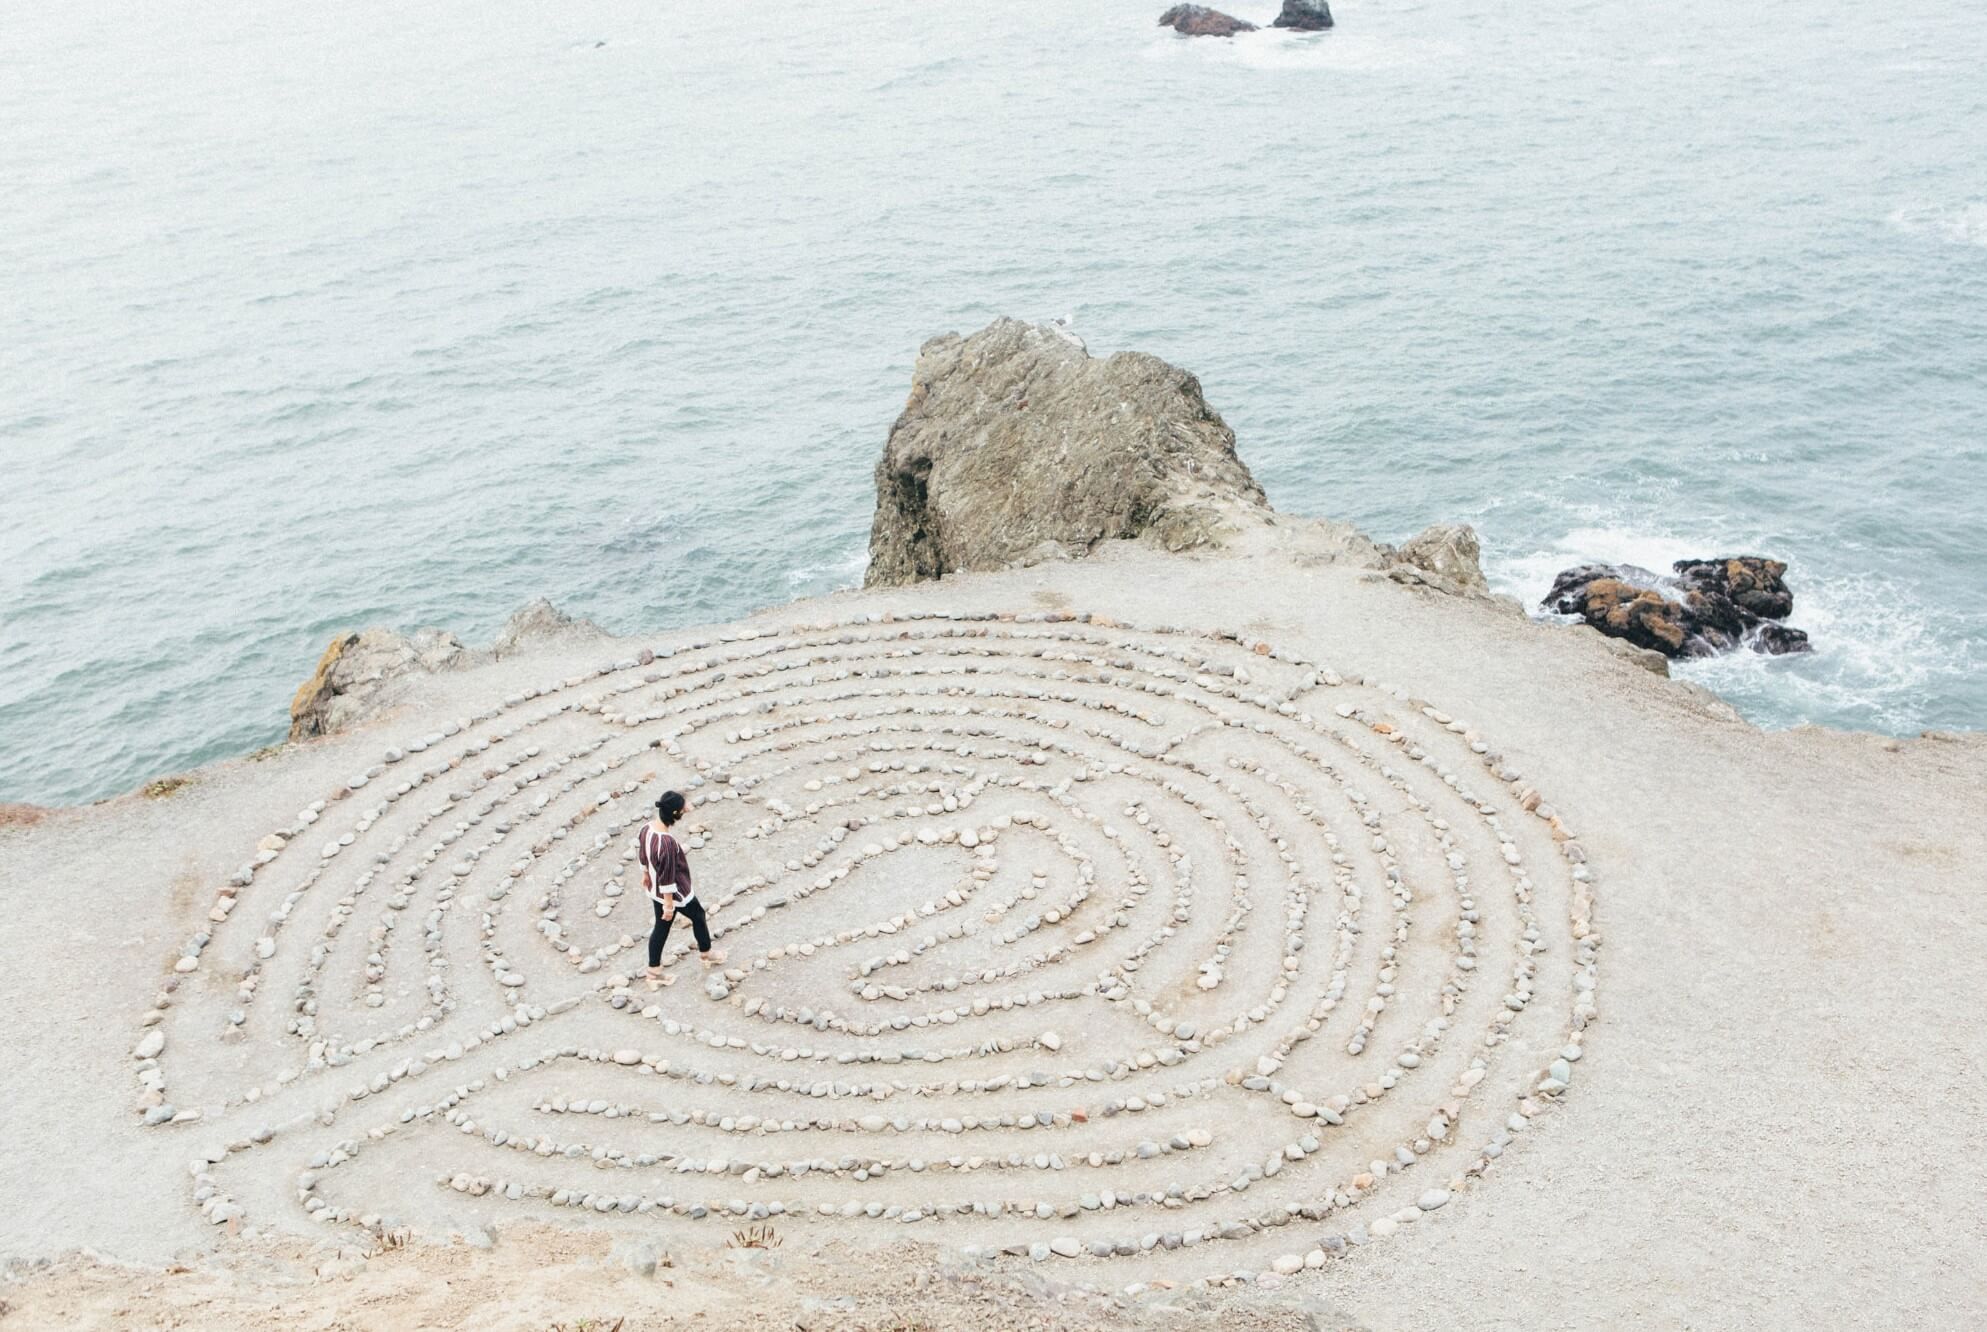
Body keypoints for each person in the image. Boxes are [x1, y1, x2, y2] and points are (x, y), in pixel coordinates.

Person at [635, 790, 722, 989]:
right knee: (698, 915)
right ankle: (706, 954)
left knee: (661, 928)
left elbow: (642, 853)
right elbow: (667, 875)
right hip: (675, 894)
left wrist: (645, 874)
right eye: (682, 809)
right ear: (675, 814)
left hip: (655, 889)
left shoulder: (646, 828)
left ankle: (653, 972)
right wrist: (668, 904)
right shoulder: (667, 843)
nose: (686, 809)